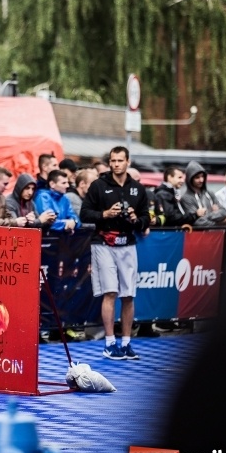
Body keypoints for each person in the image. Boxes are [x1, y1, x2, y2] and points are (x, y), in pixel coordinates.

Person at [80, 146, 150, 361]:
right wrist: (105, 214)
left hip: (128, 243)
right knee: (110, 292)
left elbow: (147, 217)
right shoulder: (98, 185)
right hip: (103, 243)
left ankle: (127, 343)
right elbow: (84, 214)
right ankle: (110, 343)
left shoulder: (138, 188)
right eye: (113, 160)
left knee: (128, 295)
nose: (116, 164)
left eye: (120, 160)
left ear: (128, 161)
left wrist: (135, 219)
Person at [179, 161, 226, 227]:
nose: (201, 180)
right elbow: (197, 222)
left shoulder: (209, 193)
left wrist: (206, 215)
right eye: (197, 177)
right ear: (190, 179)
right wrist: (216, 219)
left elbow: (224, 213)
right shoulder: (186, 198)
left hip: (216, 234)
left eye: (202, 176)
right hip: (199, 235)